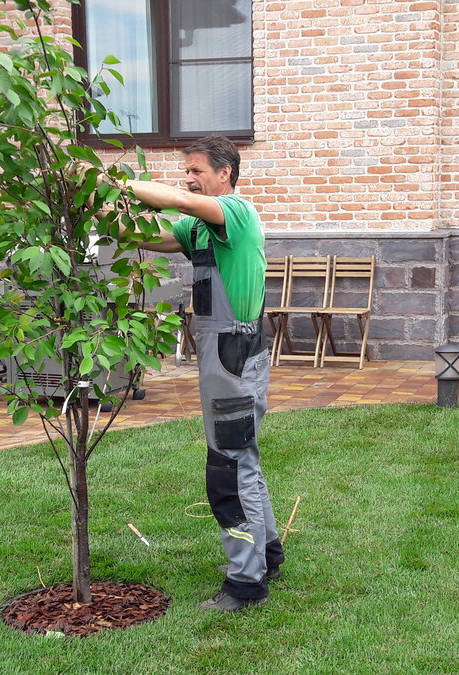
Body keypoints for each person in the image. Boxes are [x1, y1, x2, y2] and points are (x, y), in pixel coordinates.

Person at [123, 135, 284, 611]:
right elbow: (157, 237)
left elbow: (175, 201)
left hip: (232, 354)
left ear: (224, 175)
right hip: (221, 353)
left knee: (228, 466)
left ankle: (246, 582)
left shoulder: (235, 212)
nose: (188, 179)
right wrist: (105, 217)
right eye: (187, 171)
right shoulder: (200, 226)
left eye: (196, 171)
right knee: (241, 457)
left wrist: (116, 182)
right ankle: (267, 553)